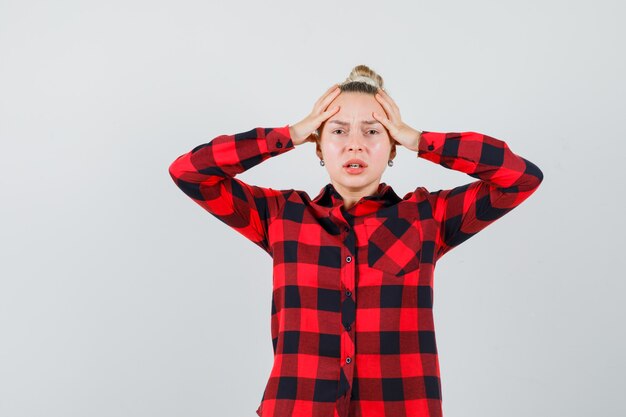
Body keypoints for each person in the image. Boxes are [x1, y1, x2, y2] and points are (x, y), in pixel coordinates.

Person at [168, 64, 544, 417]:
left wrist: (419, 139)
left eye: (372, 130)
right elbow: (189, 172)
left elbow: (520, 177)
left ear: (393, 146)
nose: (355, 144)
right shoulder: (282, 217)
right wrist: (291, 133)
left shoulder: (428, 218)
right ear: (318, 147)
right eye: (337, 130)